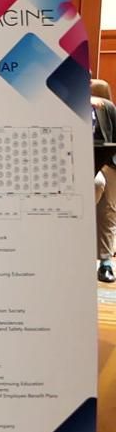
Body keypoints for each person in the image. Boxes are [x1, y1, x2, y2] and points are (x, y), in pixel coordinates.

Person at [94, 80, 116, 283]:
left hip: (107, 160)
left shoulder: (107, 107)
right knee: (97, 183)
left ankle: (106, 262)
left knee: (109, 206)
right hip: (74, 162)